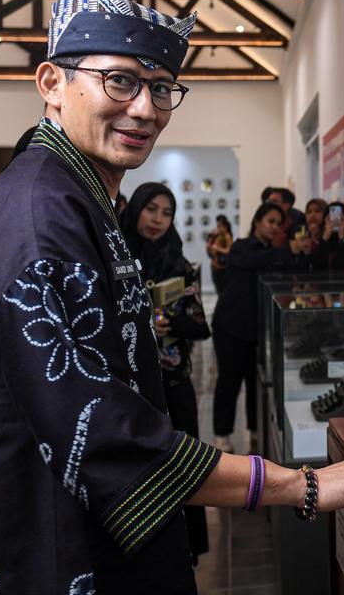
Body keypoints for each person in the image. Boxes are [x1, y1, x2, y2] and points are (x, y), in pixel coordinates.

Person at [0, 0, 344, 595]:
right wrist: (305, 484)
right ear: (52, 83)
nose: (146, 109)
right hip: (52, 549)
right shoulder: (38, 213)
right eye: (119, 80)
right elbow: (97, 432)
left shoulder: (77, 196)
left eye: (160, 88)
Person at [121, 182, 212, 566]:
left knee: (183, 466)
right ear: (136, 209)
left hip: (172, 384)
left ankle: (186, 551)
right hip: (127, 387)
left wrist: (166, 321)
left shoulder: (180, 264)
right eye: (150, 209)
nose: (158, 220)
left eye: (166, 212)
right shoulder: (114, 255)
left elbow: (199, 324)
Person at [210, 203, 310, 454]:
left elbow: (290, 273)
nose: (274, 227)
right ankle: (221, 435)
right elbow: (251, 260)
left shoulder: (276, 253)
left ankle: (255, 430)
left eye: (278, 223)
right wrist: (287, 250)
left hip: (258, 330)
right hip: (231, 327)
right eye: (270, 221)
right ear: (257, 221)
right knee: (229, 381)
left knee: (255, 382)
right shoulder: (241, 246)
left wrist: (300, 252)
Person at [311, 201, 344, 273]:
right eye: (331, 218)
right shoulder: (317, 244)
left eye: (340, 218)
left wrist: (341, 236)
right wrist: (325, 237)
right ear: (325, 220)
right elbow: (317, 266)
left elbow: (342, 266)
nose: (336, 221)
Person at [206, 214, 233, 293]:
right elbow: (210, 249)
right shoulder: (217, 236)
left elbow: (229, 250)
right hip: (215, 267)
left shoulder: (227, 236)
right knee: (218, 290)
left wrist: (217, 248)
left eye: (219, 226)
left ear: (225, 227)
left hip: (222, 268)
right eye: (217, 226)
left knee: (222, 290)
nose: (217, 228)